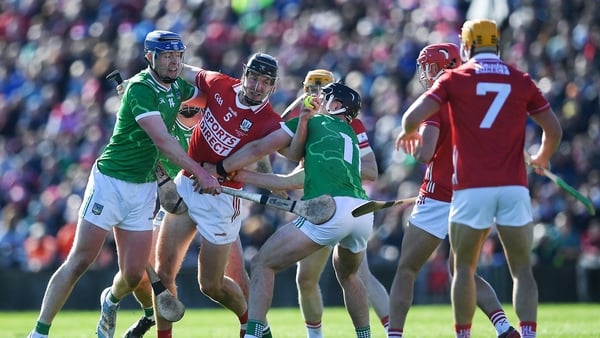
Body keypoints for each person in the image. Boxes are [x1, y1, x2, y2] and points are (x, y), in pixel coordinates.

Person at [27, 30, 221, 338]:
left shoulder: (177, 88)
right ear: (150, 58)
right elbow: (164, 141)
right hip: (111, 182)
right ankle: (39, 332)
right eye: (166, 57)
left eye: (177, 57)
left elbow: (213, 100)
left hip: (144, 188)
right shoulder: (140, 89)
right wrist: (202, 173)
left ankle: (112, 300)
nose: (173, 63)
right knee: (80, 260)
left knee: (133, 274)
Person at [395, 19, 562, 338]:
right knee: (520, 271)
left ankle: (447, 334)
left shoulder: (454, 83)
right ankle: (519, 331)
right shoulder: (520, 79)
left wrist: (407, 132)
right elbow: (553, 129)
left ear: (467, 47)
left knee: (442, 270)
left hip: (460, 190)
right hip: (511, 186)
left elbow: (415, 128)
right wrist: (541, 157)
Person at [217, 82, 374, 338]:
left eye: (326, 98)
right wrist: (243, 175)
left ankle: (255, 334)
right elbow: (289, 179)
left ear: (337, 106)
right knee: (349, 275)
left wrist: (222, 169)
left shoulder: (318, 123)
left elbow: (272, 142)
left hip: (331, 209)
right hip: (362, 212)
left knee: (262, 263)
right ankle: (365, 336)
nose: (319, 102)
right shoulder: (347, 137)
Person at [388, 43, 518, 338]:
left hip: (438, 195)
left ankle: (393, 335)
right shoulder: (477, 100)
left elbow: (425, 154)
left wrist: (412, 142)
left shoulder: (436, 99)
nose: (425, 73)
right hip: (475, 195)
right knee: (463, 272)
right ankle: (503, 327)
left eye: (429, 67)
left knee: (407, 269)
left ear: (444, 66)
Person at [152, 52, 283, 338]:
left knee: (210, 285)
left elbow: (271, 151)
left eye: (266, 82)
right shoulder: (219, 84)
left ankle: (250, 324)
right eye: (255, 78)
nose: (258, 86)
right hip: (187, 183)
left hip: (222, 198)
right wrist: (147, 80)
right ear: (244, 74)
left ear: (273, 87)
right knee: (163, 274)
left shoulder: (270, 121)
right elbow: (182, 70)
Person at [283, 69, 390, 337]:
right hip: (319, 205)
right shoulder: (306, 118)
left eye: (322, 89)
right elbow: (274, 134)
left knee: (358, 275)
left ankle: (393, 331)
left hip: (340, 201)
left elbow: (371, 170)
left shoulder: (350, 123)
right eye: (310, 89)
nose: (316, 95)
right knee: (306, 278)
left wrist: (332, 166)